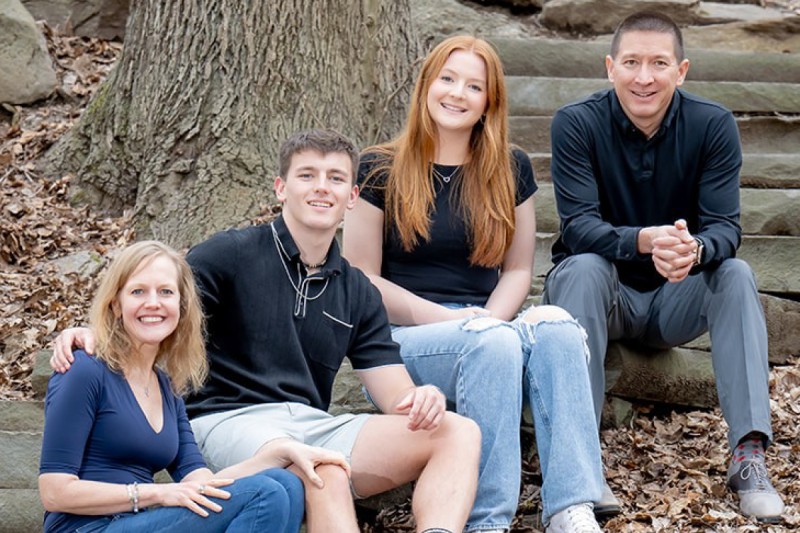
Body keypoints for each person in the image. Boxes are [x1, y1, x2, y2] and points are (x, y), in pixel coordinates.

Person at [51, 129, 481, 533]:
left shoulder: (358, 290)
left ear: (351, 197)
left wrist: (421, 399)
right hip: (225, 418)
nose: (321, 187)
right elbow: (158, 303)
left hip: (312, 422)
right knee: (322, 469)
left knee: (458, 430)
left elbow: (397, 399)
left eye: (335, 178)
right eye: (307, 175)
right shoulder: (230, 254)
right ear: (281, 188)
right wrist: (93, 332)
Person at [344, 35, 608, 533]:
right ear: (426, 85)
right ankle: (487, 519)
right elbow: (362, 280)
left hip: (486, 326)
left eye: (474, 86)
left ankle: (572, 508)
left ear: (490, 101)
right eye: (447, 79)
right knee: (492, 344)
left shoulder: (510, 168)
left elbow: (517, 271)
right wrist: (456, 322)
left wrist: (489, 321)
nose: (457, 93)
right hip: (404, 336)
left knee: (556, 325)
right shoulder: (379, 167)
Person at [541, 11, 785, 523]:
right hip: (600, 297)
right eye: (631, 62)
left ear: (683, 70)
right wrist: (645, 240)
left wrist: (693, 250)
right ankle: (579, 465)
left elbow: (726, 227)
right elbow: (578, 226)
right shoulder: (576, 123)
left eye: (658, 63)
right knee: (582, 266)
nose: (644, 77)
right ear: (610, 68)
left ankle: (749, 456)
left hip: (676, 297)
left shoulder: (712, 124)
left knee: (736, 273)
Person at [39, 240, 321, 532]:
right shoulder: (85, 369)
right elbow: (54, 492)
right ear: (116, 304)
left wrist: (278, 455)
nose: (153, 302)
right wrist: (158, 494)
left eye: (166, 292)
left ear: (181, 306)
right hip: (86, 527)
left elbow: (199, 481)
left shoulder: (166, 387)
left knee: (285, 483)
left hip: (140, 523)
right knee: (265, 494)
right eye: (138, 291)